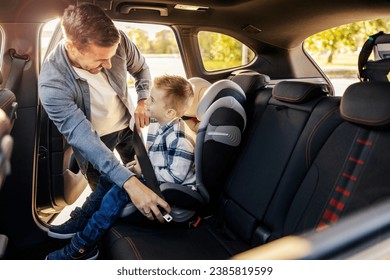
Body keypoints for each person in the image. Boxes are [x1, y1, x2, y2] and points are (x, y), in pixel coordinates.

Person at [38, 2, 170, 236]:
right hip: (94, 140)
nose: (109, 64)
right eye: (100, 60)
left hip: (128, 127)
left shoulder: (118, 41)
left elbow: (141, 69)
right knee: (105, 199)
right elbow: (83, 137)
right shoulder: (52, 83)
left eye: (111, 57)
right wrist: (129, 182)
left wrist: (141, 100)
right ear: (72, 47)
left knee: (145, 179)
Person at [46, 75, 196, 259]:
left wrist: (142, 171)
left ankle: (83, 246)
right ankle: (83, 219)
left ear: (170, 113)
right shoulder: (159, 123)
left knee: (117, 193)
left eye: (152, 100)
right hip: (154, 179)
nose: (146, 102)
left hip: (171, 192)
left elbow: (175, 177)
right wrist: (138, 166)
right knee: (109, 176)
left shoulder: (180, 140)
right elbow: (155, 158)